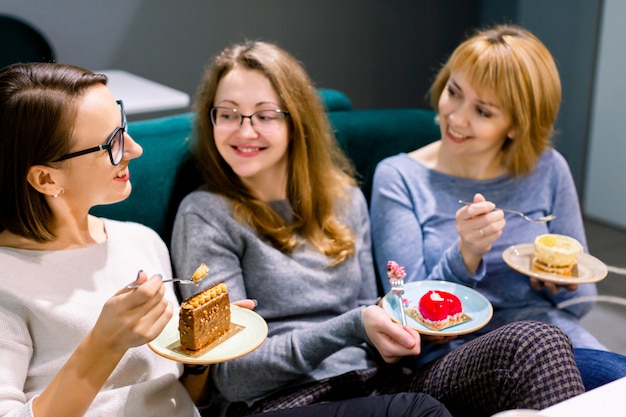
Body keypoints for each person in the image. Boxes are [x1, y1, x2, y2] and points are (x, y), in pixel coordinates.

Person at [0, 62, 452, 417]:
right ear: (45, 178)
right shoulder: (9, 281)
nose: (135, 149)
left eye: (123, 127)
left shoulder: (139, 242)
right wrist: (103, 345)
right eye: (113, 143)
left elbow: (188, 394)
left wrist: (203, 351)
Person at [171, 40, 586, 417]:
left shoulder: (343, 199)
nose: (245, 131)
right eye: (227, 115)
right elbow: (234, 375)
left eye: (264, 115)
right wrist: (355, 326)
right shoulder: (206, 214)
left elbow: (377, 312)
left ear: (297, 121)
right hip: (281, 401)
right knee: (421, 412)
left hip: (379, 383)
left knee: (537, 343)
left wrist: (397, 332)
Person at [369, 24, 626, 388]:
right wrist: (467, 251)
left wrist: (556, 282)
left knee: (618, 382)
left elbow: (582, 304)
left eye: (483, 111)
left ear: (517, 126)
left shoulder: (549, 169)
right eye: (453, 92)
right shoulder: (399, 177)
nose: (456, 117)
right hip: (452, 354)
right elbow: (411, 313)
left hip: (548, 333)